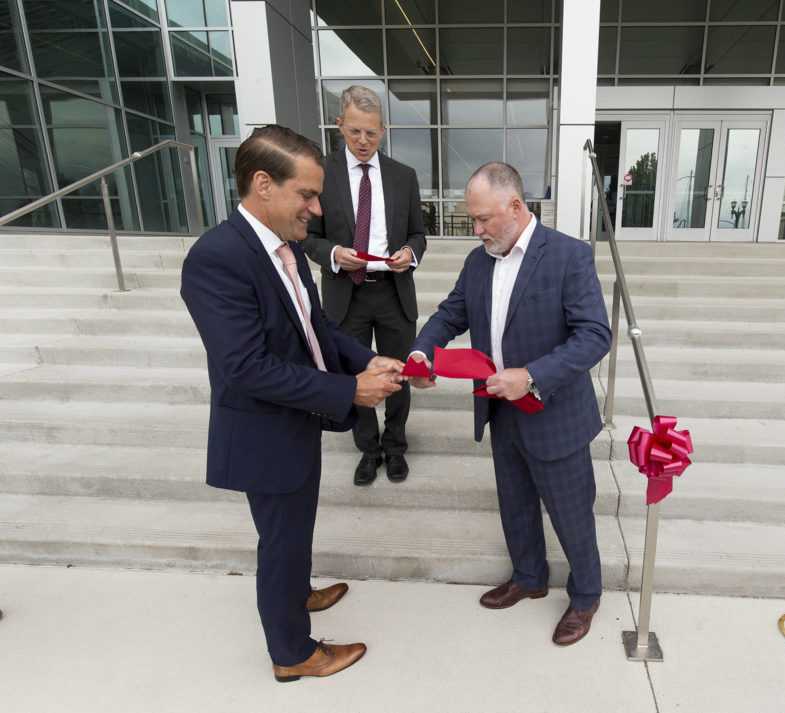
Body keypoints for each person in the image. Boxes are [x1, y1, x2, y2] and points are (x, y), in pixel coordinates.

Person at [180, 124, 405, 681]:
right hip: (262, 431)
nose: (315, 208)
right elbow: (246, 367)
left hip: (294, 420)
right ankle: (292, 653)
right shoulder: (217, 257)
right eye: (306, 194)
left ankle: (294, 595)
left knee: (294, 530)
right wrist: (349, 391)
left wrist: (364, 360)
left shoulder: (287, 248)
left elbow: (317, 325)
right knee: (281, 540)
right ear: (263, 184)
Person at [408, 163, 612, 646]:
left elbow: (595, 336)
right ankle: (529, 577)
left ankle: (586, 597)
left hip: (554, 412)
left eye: (482, 219)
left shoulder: (568, 255)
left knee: (571, 513)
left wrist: (533, 376)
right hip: (500, 409)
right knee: (515, 503)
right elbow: (450, 313)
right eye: (472, 220)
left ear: (516, 207)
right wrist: (421, 351)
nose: (476, 230)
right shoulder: (480, 260)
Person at [302, 85, 427, 486]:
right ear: (340, 125)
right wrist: (335, 253)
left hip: (393, 291)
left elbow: (419, 234)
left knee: (398, 374)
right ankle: (368, 451)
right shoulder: (321, 174)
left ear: (383, 131)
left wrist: (409, 252)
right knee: (355, 376)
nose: (363, 141)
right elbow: (306, 236)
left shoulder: (403, 177)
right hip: (345, 293)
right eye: (355, 131)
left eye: (371, 133)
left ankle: (395, 447)